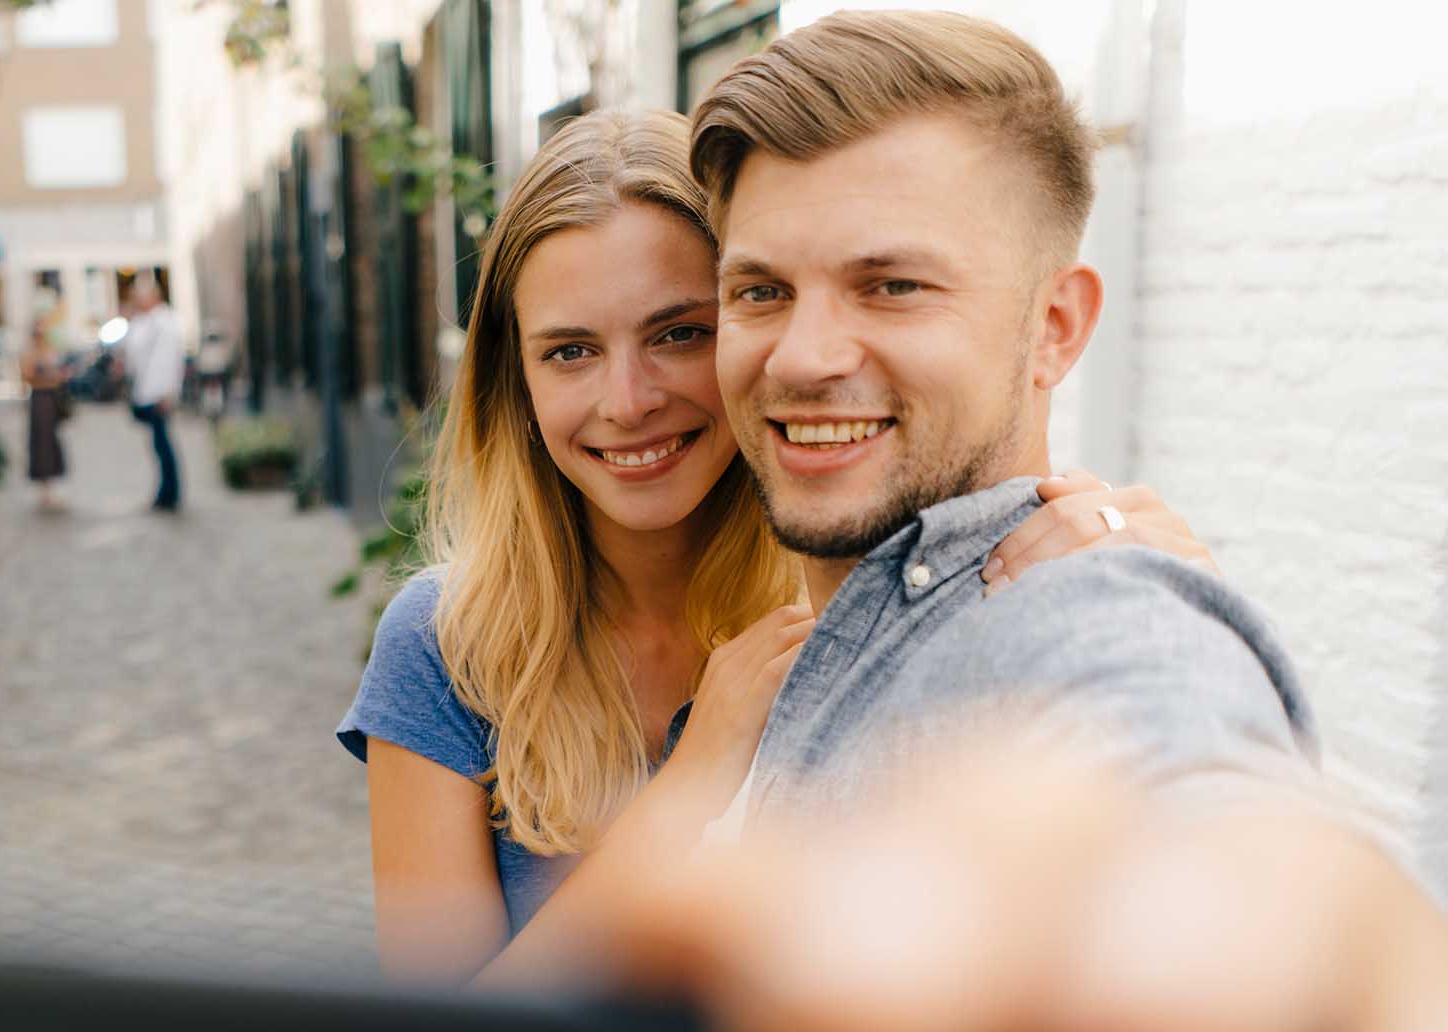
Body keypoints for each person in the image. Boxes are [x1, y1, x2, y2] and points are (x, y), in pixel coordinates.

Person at [564, 11, 1447, 1025]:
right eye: (759, 291)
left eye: (890, 286)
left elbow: (1189, 779)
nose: (801, 356)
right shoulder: (788, 623)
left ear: (1053, 327)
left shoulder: (1091, 612)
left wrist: (1278, 924)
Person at [335, 108, 1221, 984]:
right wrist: (692, 783)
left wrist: (1164, 595)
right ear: (516, 381)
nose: (628, 400)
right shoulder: (448, 645)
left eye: (679, 333)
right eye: (569, 351)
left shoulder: (857, 597)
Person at [121, 280, 184, 512]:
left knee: (163, 443)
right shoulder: (143, 322)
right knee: (158, 444)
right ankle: (165, 492)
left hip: (158, 392)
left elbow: (170, 360)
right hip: (147, 390)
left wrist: (167, 392)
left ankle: (169, 493)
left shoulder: (165, 322)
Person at [20, 310, 71, 512]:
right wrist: (50, 377)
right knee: (42, 444)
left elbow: (59, 375)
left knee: (52, 443)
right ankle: (45, 489)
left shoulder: (50, 350)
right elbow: (27, 376)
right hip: (40, 400)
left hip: (52, 400)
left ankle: (51, 487)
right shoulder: (30, 353)